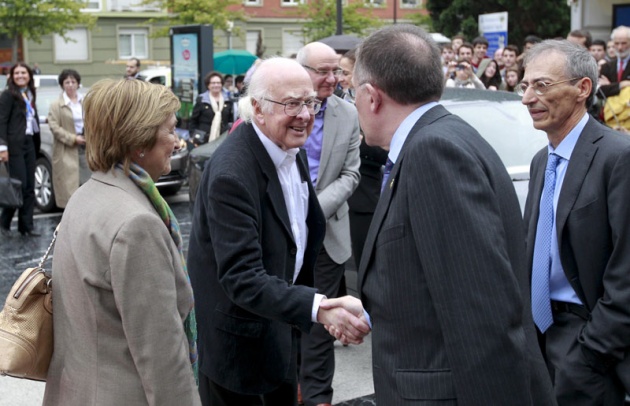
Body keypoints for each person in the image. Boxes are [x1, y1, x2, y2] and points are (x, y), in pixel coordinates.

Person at [350, 24, 555, 405]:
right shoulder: (440, 139)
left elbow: (481, 313)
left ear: (371, 96)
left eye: (352, 93)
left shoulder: (434, 152)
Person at [187, 57, 369, 405]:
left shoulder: (289, 148)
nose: (305, 115)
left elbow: (294, 242)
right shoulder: (231, 173)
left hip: (280, 337)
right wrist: (320, 308)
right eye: (291, 104)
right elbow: (242, 277)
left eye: (309, 102)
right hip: (239, 358)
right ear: (257, 109)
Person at [43, 79, 200, 405]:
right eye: (170, 130)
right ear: (138, 139)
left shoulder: (88, 193)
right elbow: (162, 355)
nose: (178, 142)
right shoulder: (137, 223)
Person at [520, 39, 630, 406]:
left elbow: (626, 271)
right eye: (524, 86)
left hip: (588, 347)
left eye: (541, 85)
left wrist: (592, 352)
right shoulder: (541, 161)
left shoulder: (618, 157)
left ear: (583, 88)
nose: (527, 98)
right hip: (540, 341)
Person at [296, 41, 361, 406]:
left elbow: (351, 175)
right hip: (281, 235)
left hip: (327, 235)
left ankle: (319, 399)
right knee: (284, 319)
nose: (333, 79)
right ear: (301, 70)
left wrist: (312, 212)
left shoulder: (347, 114)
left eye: (336, 70)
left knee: (321, 328)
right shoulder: (280, 109)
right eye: (323, 71)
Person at [0, 62, 40, 237]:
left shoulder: (29, 93)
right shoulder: (8, 95)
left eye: (23, 72)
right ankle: (4, 222)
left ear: (29, 75)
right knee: (19, 185)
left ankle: (26, 226)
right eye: (17, 73)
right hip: (14, 145)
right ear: (12, 76)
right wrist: (2, 147)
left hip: (29, 143)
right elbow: (1, 122)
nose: (20, 76)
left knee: (30, 186)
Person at [47, 69, 86, 209]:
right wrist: (73, 138)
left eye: (73, 81)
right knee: (70, 188)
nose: (70, 85)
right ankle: (70, 218)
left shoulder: (85, 101)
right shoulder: (56, 105)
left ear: (78, 83)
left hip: (86, 149)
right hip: (67, 150)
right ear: (62, 85)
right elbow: (54, 127)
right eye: (67, 82)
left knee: (88, 184)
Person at [189, 71, 234, 146]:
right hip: (203, 140)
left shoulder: (228, 100)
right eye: (213, 83)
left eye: (218, 83)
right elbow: (193, 121)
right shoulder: (201, 100)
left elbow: (230, 120)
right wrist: (193, 137)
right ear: (208, 85)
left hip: (223, 140)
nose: (216, 85)